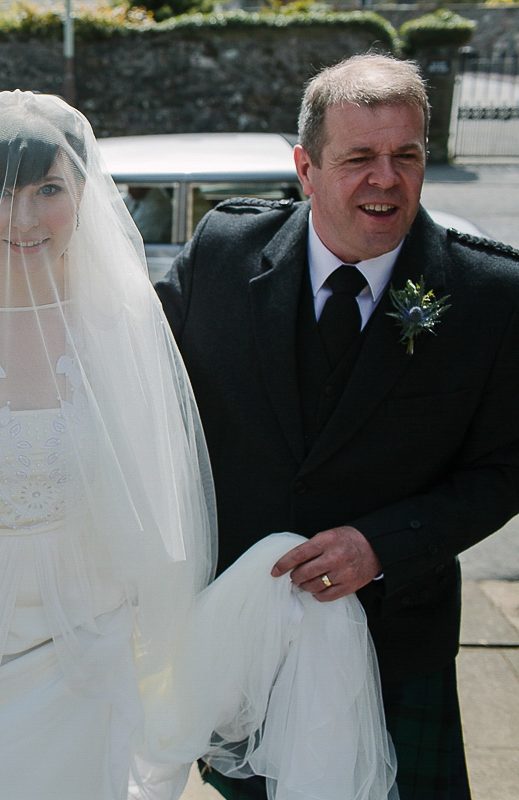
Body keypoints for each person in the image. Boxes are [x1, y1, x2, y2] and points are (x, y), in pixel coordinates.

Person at [0, 90, 396, 800]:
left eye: (49, 188)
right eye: (1, 193)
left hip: (84, 631)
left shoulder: (120, 314)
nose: (25, 216)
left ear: (84, 192)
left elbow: (155, 480)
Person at [156, 54, 519, 800]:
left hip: (394, 644)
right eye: (359, 158)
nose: (386, 179)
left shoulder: (491, 295)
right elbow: (125, 368)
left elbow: (506, 467)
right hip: (244, 639)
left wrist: (382, 545)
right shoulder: (225, 252)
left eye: (406, 156)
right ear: (306, 168)